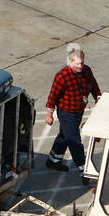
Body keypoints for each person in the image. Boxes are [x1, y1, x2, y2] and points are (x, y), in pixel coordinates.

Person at [44, 42, 100, 172]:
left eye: (82, 63)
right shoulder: (62, 76)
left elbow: (93, 84)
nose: (80, 66)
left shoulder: (87, 70)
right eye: (77, 64)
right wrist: (49, 115)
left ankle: (53, 161)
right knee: (74, 140)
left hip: (79, 110)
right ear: (70, 63)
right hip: (66, 113)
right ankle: (83, 168)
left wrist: (98, 98)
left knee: (64, 136)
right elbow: (53, 96)